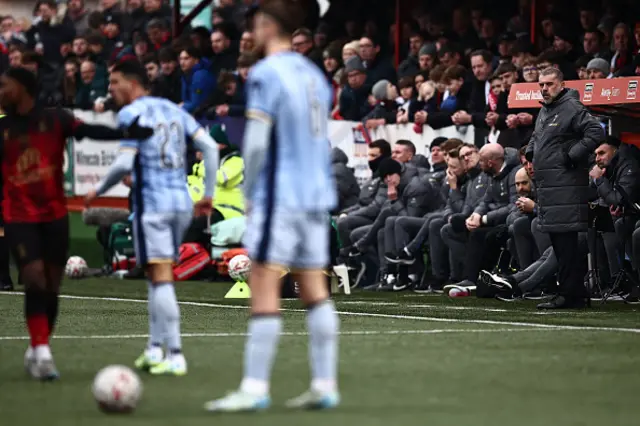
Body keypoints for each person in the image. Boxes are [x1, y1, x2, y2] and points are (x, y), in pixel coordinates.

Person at [204, 0, 339, 412]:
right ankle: (324, 384)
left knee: (262, 282)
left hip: (279, 193)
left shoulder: (266, 72)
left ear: (267, 24)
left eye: (254, 24)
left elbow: (259, 140)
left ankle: (255, 386)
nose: (250, 33)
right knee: (315, 289)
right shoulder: (314, 73)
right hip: (316, 193)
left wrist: (249, 190)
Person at [0, 66, 153, 380]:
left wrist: (129, 133)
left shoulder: (56, 119)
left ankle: (39, 345)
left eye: (4, 86)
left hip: (55, 216)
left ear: (23, 88)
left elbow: (92, 131)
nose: (0, 93)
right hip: (18, 217)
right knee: (33, 279)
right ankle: (42, 351)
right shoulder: (3, 130)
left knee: (52, 287)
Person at [85, 61, 219, 376]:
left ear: (132, 83)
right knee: (157, 276)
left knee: (161, 279)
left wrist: (99, 189)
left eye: (115, 82)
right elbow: (210, 147)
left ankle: (175, 354)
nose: (111, 89)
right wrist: (208, 194)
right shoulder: (174, 110)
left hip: (153, 205)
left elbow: (122, 164)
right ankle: (154, 348)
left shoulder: (131, 114)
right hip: (182, 202)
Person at [525, 67, 604, 309]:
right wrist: (530, 152)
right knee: (560, 242)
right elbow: (538, 137)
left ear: (561, 84)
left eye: (549, 84)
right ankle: (572, 293)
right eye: (541, 85)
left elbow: (596, 131)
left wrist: (571, 155)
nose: (544, 88)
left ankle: (572, 295)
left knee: (567, 243)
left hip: (565, 185)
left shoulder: (572, 107)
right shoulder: (546, 110)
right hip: (550, 185)